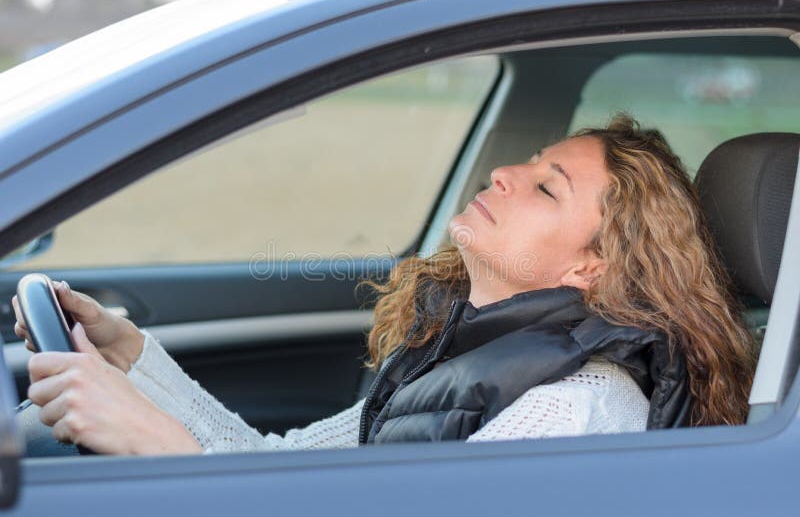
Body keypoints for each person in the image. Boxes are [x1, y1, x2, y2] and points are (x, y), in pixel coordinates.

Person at [13, 114, 756, 455]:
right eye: (526, 161)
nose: (503, 173)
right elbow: (271, 464)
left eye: (545, 188)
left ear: (590, 267)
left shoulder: (579, 411)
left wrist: (152, 442)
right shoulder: (459, 357)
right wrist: (132, 360)